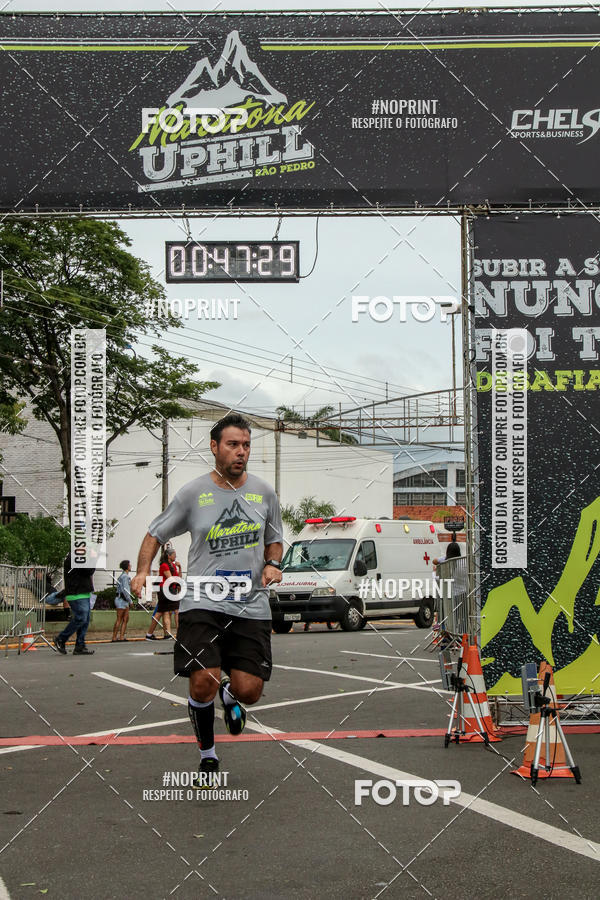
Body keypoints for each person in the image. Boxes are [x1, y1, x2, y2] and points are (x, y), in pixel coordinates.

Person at [131, 413, 283, 781]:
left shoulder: (263, 493)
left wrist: (272, 564)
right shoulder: (193, 493)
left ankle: (232, 695)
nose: (241, 452)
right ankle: (208, 755)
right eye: (233, 444)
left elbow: (274, 541)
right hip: (202, 602)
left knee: (250, 691)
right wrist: (142, 571)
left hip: (251, 604)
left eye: (246, 445)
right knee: (203, 679)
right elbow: (155, 533)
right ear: (214, 447)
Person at [53, 552, 96, 655]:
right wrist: (93, 559)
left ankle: (80, 645)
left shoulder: (77, 556)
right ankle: (61, 639)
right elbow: (88, 571)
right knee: (81, 618)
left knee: (85, 620)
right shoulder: (75, 557)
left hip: (82, 592)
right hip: (76, 593)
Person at [112, 560, 132, 642]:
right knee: (120, 619)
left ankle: (121, 636)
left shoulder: (123, 576)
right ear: (127, 566)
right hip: (122, 600)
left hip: (123, 600)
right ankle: (114, 637)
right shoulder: (125, 577)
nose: (131, 566)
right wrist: (130, 600)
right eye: (129, 565)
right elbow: (125, 590)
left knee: (125, 618)